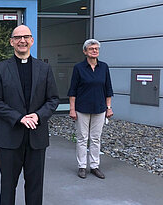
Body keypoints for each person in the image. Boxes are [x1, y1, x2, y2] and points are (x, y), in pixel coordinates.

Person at [0, 25, 59, 205]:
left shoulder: (45, 69)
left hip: (36, 137)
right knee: (8, 185)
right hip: (9, 138)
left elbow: (53, 99)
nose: (22, 41)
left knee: (35, 186)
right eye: (18, 37)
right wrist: (18, 117)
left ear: (32, 41)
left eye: (26, 37)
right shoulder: (0, 69)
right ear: (12, 42)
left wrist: (37, 115)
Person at [68, 39, 113, 179]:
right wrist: (72, 109)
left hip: (99, 109)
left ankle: (94, 166)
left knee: (95, 138)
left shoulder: (104, 67)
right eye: (91, 48)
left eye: (96, 48)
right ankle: (82, 166)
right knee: (82, 138)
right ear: (85, 51)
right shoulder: (79, 68)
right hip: (82, 109)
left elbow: (108, 89)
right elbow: (73, 90)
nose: (94, 50)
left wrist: (109, 108)